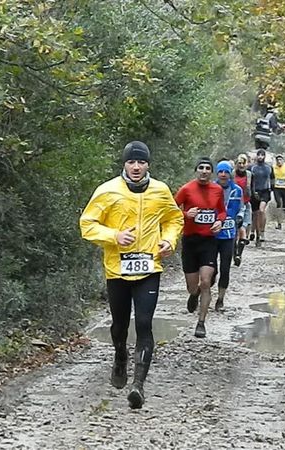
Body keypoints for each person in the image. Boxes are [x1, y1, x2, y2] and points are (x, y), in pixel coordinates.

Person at [79, 141, 183, 409]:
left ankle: (138, 385)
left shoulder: (160, 190)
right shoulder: (107, 191)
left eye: (141, 162)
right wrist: (114, 236)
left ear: (148, 164)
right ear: (124, 164)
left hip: (149, 267)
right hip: (118, 269)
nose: (136, 167)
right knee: (120, 325)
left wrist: (169, 241)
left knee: (145, 323)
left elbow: (174, 218)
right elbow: (87, 224)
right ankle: (120, 355)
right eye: (131, 162)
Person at [174, 157, 226, 338]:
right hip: (190, 241)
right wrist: (186, 214)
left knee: (206, 282)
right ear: (196, 170)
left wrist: (219, 221)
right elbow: (171, 210)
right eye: (201, 168)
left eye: (207, 168)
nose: (204, 171)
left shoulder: (217, 189)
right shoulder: (187, 189)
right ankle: (193, 294)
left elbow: (221, 210)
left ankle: (201, 322)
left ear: (211, 172)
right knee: (192, 286)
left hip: (209, 241)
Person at [213, 161, 244, 310]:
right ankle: (203, 288)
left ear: (230, 173)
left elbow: (243, 208)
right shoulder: (210, 188)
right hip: (211, 235)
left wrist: (240, 217)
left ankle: (220, 299)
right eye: (220, 172)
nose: (223, 175)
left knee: (225, 268)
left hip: (229, 235)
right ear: (217, 173)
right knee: (211, 269)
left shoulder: (237, 190)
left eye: (226, 172)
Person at [249, 149, 274, 247]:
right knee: (255, 213)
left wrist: (273, 192)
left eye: (262, 155)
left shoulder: (269, 168)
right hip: (255, 191)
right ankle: (254, 232)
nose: (260, 157)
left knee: (261, 210)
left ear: (264, 156)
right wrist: (250, 192)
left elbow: (272, 180)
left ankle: (262, 232)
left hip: (265, 191)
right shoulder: (252, 168)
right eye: (258, 155)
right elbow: (249, 181)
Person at [233, 154, 252, 266]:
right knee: (234, 232)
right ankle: (234, 253)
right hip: (234, 205)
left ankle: (238, 255)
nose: (241, 165)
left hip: (246, 204)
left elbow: (252, 190)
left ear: (247, 164)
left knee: (242, 228)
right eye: (239, 163)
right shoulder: (231, 175)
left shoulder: (249, 175)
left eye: (243, 163)